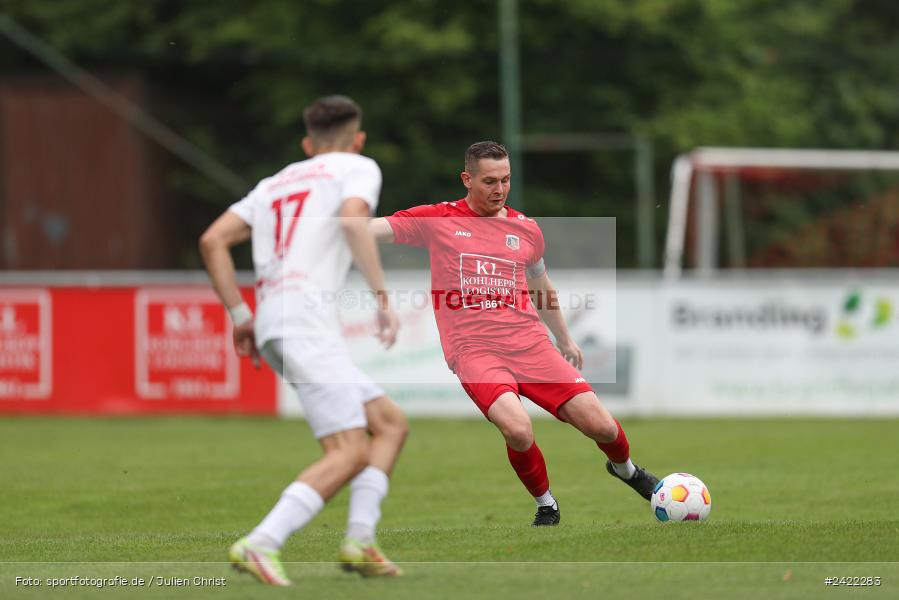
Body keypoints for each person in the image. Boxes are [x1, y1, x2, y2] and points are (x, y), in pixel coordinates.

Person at [369, 141, 658, 526]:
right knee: (518, 429)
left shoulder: (526, 229)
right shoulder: (439, 219)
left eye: (506, 180)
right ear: (466, 179)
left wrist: (565, 338)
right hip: (474, 351)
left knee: (602, 425)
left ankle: (628, 471)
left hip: (530, 344)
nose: (499, 189)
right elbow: (373, 229)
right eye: (489, 181)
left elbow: (541, 286)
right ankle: (546, 504)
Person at [199, 95, 408, 585]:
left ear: (307, 143)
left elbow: (212, 240)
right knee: (349, 451)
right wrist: (382, 296)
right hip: (305, 320)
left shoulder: (275, 182)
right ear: (357, 139)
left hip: (274, 317)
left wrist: (239, 314)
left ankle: (360, 540)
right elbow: (353, 220)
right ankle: (262, 542)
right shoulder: (357, 167)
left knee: (389, 423)